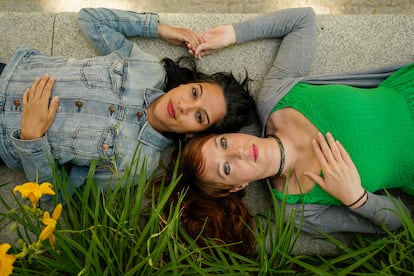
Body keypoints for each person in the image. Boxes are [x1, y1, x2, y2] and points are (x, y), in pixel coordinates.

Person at [172, 7, 414, 250]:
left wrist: (232, 34)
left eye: (223, 143)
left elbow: (302, 20)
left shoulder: (276, 97)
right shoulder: (297, 210)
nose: (238, 152)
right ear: (237, 186)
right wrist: (357, 198)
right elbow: (400, 220)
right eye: (226, 167)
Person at [0, 8, 256, 191]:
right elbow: (91, 19)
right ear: (189, 83)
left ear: (194, 134)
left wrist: (33, 140)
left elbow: (58, 193)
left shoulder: (137, 166)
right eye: (194, 92)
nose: (183, 106)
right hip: (9, 73)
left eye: (199, 116)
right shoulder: (148, 69)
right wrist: (158, 28)